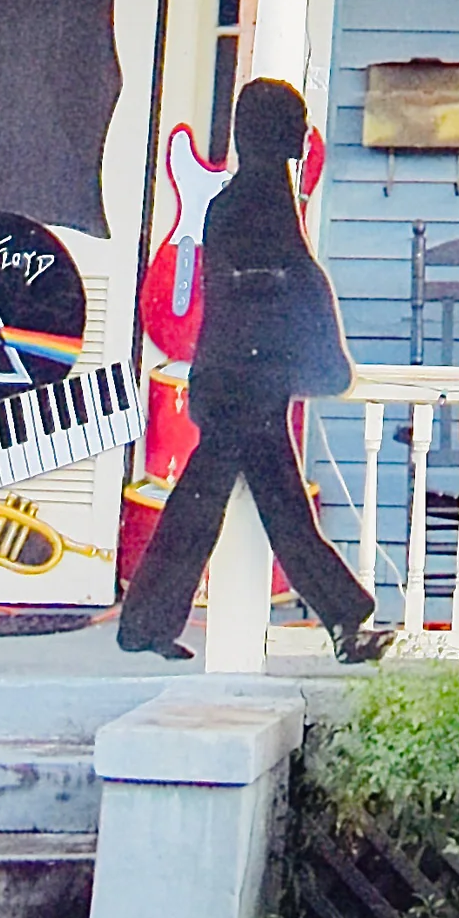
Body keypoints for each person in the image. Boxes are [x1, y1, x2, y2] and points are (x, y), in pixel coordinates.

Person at [115, 77, 390, 662]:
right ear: (274, 131)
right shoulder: (263, 197)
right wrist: (325, 361)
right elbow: (295, 282)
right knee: (250, 513)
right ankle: (344, 621)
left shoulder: (235, 200)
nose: (302, 131)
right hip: (249, 386)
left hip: (230, 380)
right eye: (293, 119)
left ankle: (149, 625)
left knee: (235, 508)